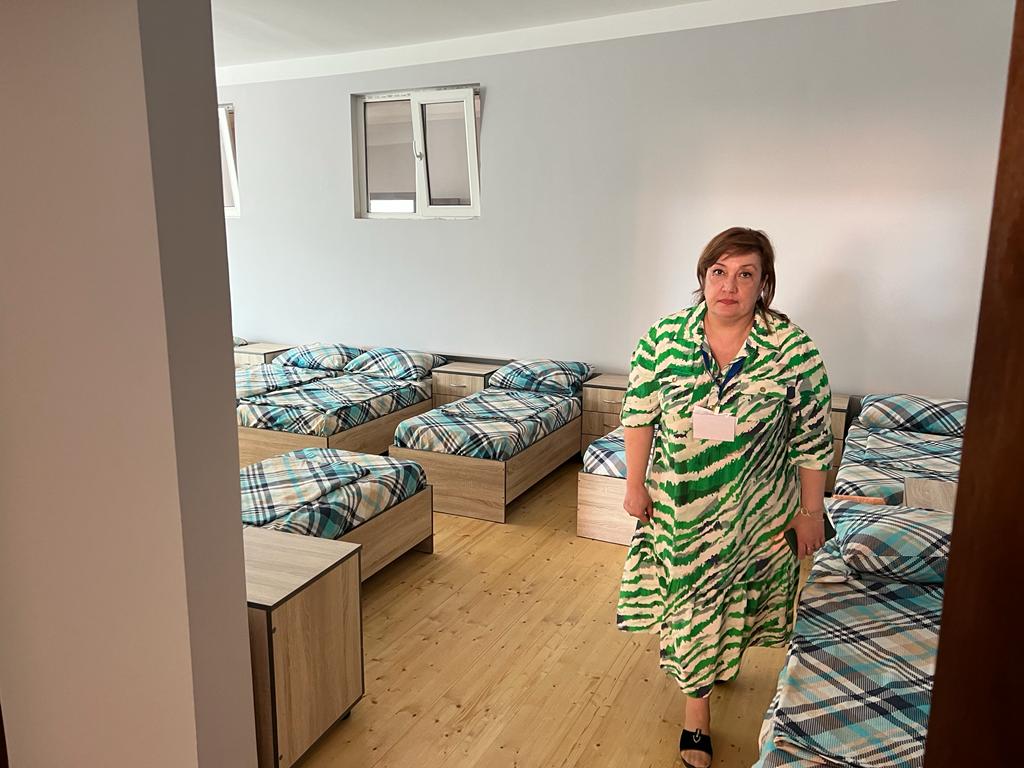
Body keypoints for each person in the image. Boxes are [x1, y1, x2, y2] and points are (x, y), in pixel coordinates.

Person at [616, 227, 833, 768]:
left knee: (739, 601)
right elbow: (638, 416)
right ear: (703, 277)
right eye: (719, 272)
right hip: (682, 509)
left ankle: (720, 659)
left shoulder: (793, 350)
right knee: (692, 604)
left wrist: (812, 512)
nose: (729, 286)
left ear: (764, 284)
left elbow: (812, 439)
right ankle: (697, 716)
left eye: (745, 274)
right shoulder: (663, 339)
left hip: (758, 514)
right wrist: (634, 483)